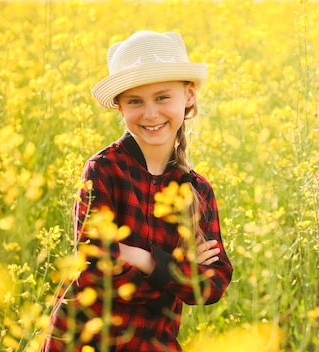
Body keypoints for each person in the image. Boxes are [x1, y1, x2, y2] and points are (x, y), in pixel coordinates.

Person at [42, 30, 233, 351]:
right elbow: (93, 273)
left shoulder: (198, 190)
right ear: (119, 108)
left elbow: (213, 285)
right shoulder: (103, 170)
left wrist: (144, 260)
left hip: (153, 342)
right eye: (135, 101)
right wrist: (178, 271)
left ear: (189, 96)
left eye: (162, 97)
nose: (150, 113)